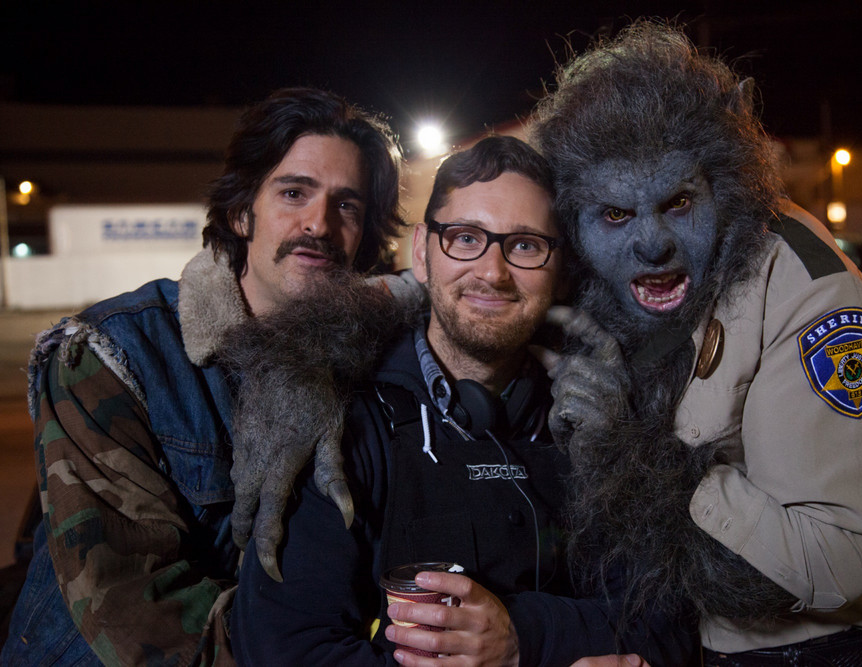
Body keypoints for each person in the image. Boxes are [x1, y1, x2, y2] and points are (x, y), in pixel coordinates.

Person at [529, 20, 862, 664]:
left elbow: (837, 562)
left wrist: (624, 454)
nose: (651, 244)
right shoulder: (595, 269)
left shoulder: (814, 298)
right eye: (617, 215)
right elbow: (470, 286)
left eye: (679, 202)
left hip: (808, 651)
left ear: (728, 186)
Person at [228, 135, 698, 666]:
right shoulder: (337, 424)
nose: (492, 273)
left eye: (524, 245)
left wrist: (521, 637)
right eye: (466, 238)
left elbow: (672, 628)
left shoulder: (601, 424)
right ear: (422, 254)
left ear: (563, 271)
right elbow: (284, 652)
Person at [0, 87, 405, 666]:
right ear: (242, 212)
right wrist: (306, 649)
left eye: (347, 206)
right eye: (294, 192)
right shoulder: (115, 355)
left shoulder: (365, 361)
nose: (318, 223)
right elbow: (138, 611)